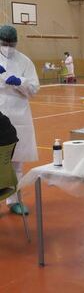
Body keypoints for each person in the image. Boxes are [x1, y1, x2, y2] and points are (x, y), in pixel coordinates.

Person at [0, 25, 40, 215]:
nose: (7, 47)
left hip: (18, 116)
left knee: (16, 162)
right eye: (3, 43)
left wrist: (20, 82)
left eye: (10, 43)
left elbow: (33, 89)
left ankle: (14, 200)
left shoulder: (25, 61)